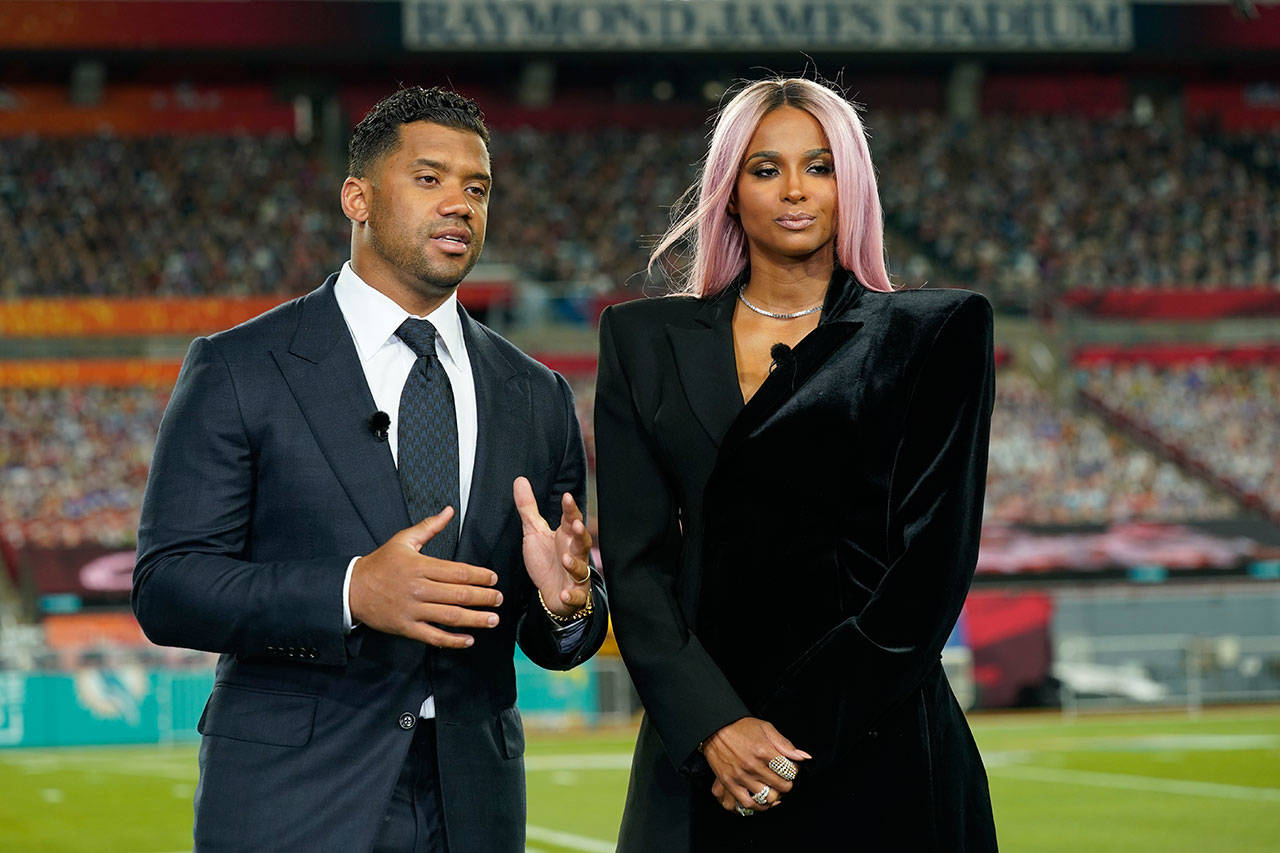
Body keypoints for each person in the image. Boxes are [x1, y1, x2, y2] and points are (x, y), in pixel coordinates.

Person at [133, 86, 608, 852]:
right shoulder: (238, 367)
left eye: (477, 187)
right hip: (293, 798)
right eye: (430, 178)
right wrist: (352, 589)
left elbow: (554, 634)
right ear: (357, 196)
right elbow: (169, 585)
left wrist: (564, 605)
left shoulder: (539, 395)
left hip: (473, 805)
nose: (459, 202)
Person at [595, 77, 997, 850]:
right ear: (729, 190)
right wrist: (715, 725)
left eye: (820, 166)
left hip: (881, 746)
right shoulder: (642, 341)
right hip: (700, 750)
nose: (794, 190)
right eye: (764, 167)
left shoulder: (936, 334)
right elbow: (637, 564)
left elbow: (930, 573)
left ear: (853, 183)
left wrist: (776, 739)